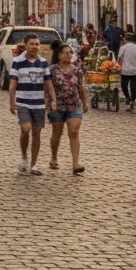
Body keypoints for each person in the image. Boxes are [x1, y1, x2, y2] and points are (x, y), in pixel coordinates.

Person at [8, 34, 54, 176]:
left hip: (39, 103)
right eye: (32, 44)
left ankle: (33, 164)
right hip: (23, 102)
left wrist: (53, 99)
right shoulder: (18, 61)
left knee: (37, 132)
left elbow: (48, 83)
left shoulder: (43, 62)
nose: (34, 47)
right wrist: (12, 102)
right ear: (26, 45)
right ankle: (24, 157)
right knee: (26, 129)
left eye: (37, 44)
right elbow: (12, 84)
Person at [46, 41, 87, 174]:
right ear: (59, 55)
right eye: (66, 52)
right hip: (57, 106)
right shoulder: (52, 70)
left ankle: (75, 163)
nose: (69, 55)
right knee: (57, 134)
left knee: (74, 131)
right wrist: (50, 102)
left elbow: (81, 88)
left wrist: (85, 103)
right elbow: (47, 88)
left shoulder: (77, 70)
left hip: (74, 104)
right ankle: (53, 157)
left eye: (71, 52)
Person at [116, 32, 136, 112]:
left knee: (124, 86)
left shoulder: (123, 48)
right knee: (133, 86)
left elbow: (119, 58)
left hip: (125, 70)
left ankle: (128, 98)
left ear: (125, 39)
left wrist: (118, 65)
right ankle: (132, 101)